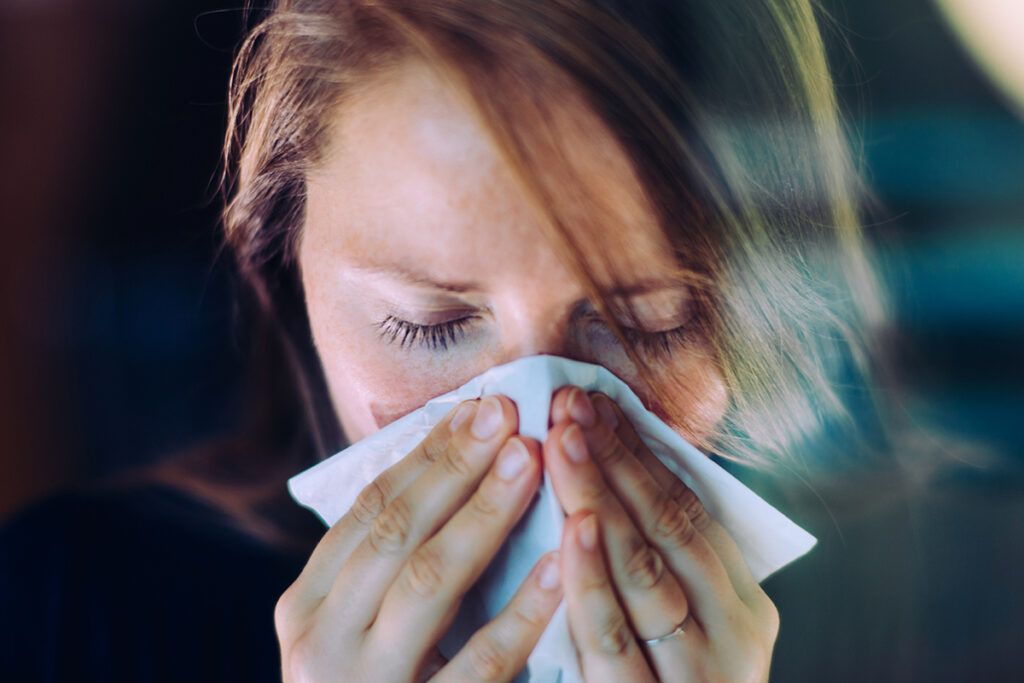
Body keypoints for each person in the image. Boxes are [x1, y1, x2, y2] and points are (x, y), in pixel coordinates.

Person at [4, 1, 1021, 681]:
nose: (536, 436)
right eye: (429, 323)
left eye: (645, 325)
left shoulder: (954, 625)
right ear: (283, 266)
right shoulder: (60, 617)